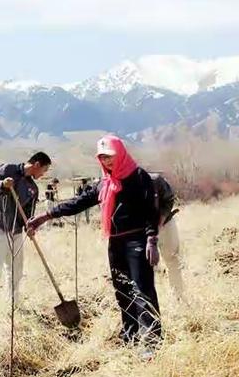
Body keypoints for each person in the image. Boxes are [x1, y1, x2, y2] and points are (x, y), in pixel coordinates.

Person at [28, 136, 161, 355]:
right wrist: (46, 215)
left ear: (120, 153)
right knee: (123, 289)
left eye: (109, 156)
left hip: (136, 242)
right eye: (102, 158)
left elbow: (150, 211)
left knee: (142, 291)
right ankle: (130, 335)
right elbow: (78, 203)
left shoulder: (138, 177)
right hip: (116, 243)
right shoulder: (105, 183)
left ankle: (152, 342)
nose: (107, 162)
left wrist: (151, 239)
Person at [0, 152, 51, 305]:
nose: (43, 174)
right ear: (36, 164)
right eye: (44, 170)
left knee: (15, 270)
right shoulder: (8, 170)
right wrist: (1, 184)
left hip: (17, 232)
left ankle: (13, 303)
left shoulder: (33, 188)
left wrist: (30, 227)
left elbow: (28, 214)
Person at [150, 172, 184, 300]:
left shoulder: (155, 180)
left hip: (165, 225)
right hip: (142, 231)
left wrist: (161, 221)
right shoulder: (121, 185)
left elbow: (169, 199)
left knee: (172, 260)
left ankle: (178, 298)